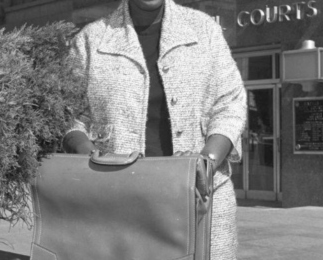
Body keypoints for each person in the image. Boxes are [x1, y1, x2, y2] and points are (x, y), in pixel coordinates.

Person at [62, 0, 247, 259]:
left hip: (201, 198)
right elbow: (68, 114)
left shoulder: (204, 30)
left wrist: (207, 161)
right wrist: (88, 153)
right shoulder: (91, 40)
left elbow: (230, 102)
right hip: (117, 199)